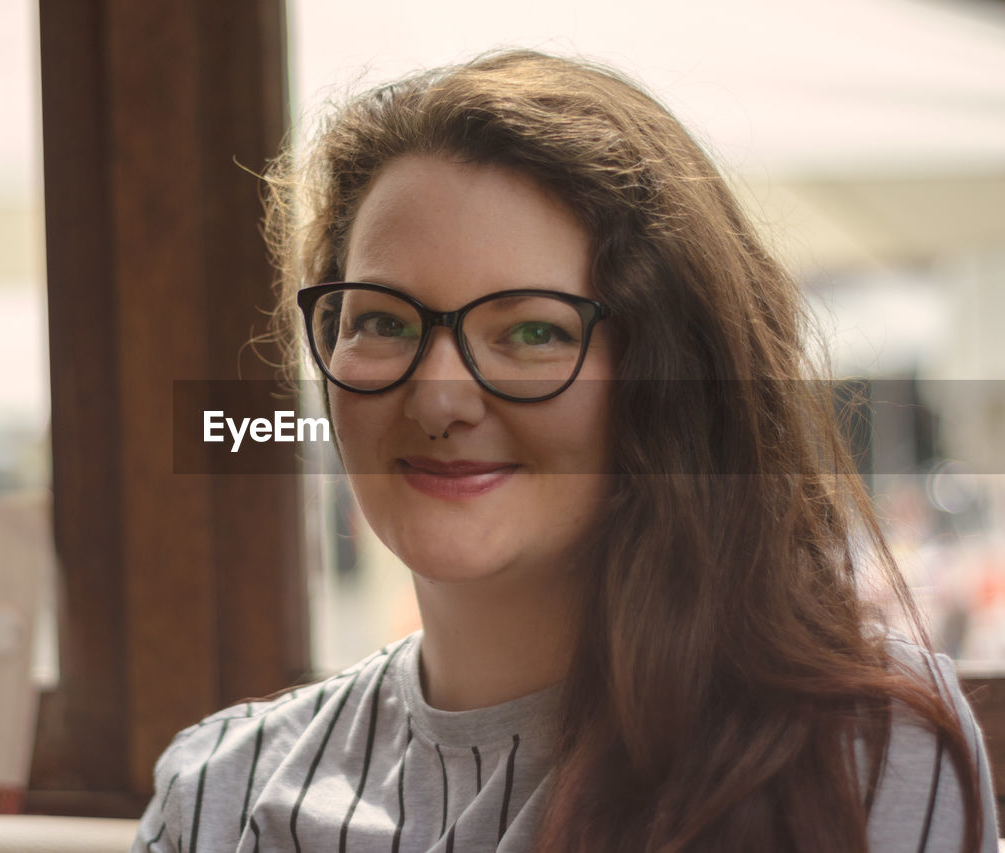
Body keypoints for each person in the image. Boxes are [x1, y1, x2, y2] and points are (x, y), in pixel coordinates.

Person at [133, 51, 998, 852]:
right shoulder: (217, 793)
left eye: (533, 332)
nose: (438, 396)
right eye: (382, 322)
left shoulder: (863, 751)